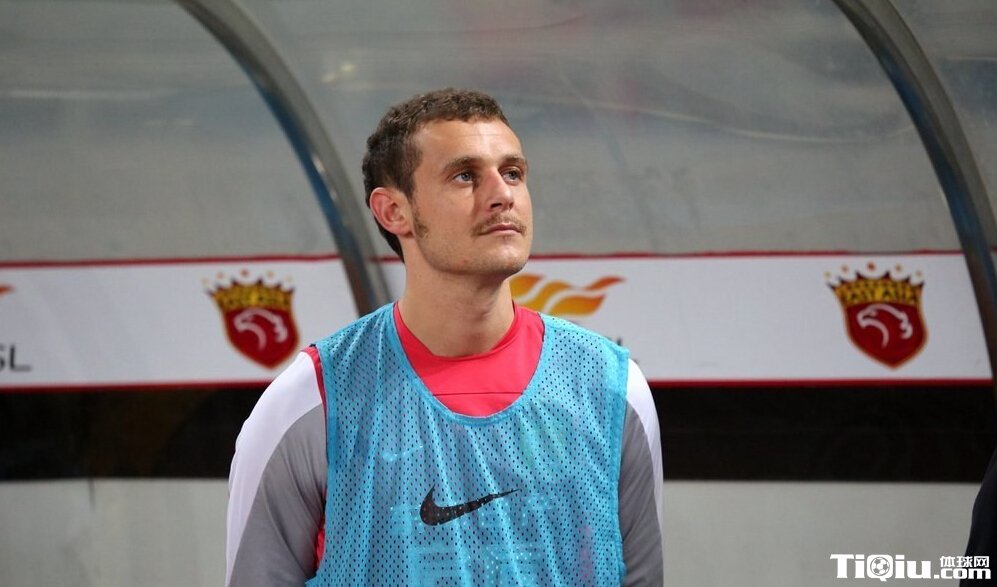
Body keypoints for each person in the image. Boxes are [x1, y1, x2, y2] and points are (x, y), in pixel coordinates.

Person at [225, 88, 664, 586]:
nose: (502, 195)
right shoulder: (311, 400)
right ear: (393, 211)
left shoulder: (611, 388)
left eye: (513, 173)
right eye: (465, 176)